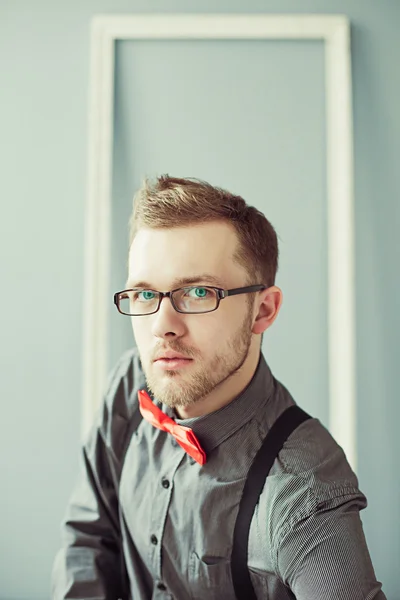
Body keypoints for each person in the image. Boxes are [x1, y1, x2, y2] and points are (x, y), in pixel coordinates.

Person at [52, 175, 386, 599]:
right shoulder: (129, 386)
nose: (162, 327)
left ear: (262, 310)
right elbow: (88, 539)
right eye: (144, 294)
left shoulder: (303, 489)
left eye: (197, 291)